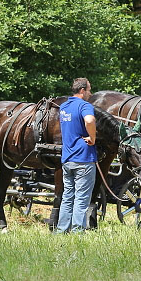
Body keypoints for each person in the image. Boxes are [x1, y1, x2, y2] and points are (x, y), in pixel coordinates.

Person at [56, 77, 98, 233]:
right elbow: (89, 120)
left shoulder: (64, 106)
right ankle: (77, 231)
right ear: (82, 90)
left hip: (67, 158)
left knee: (68, 196)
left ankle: (61, 230)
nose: (90, 93)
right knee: (81, 198)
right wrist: (92, 138)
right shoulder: (84, 105)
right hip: (84, 159)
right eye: (89, 90)